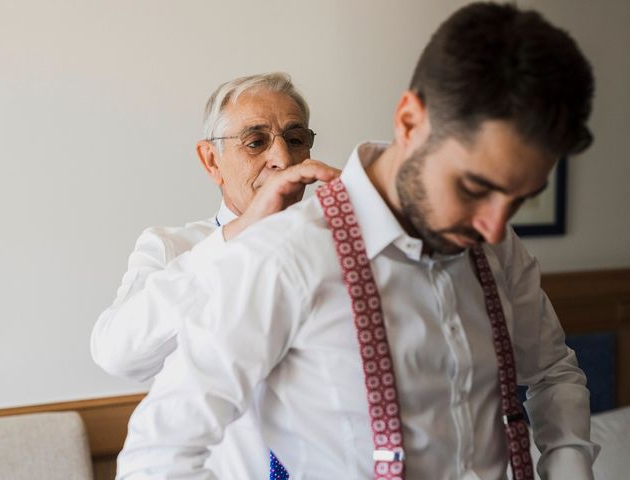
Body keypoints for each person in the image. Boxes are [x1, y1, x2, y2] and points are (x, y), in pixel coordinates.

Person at [115, 3, 599, 479]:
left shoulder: (495, 242)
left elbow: (553, 373)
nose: (494, 228)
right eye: (472, 187)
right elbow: (155, 453)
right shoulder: (282, 256)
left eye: (518, 200)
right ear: (409, 121)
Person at [90, 72, 339, 478]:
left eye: (295, 140)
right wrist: (243, 232)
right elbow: (118, 354)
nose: (282, 158)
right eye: (256, 141)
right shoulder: (172, 248)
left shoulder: (338, 247)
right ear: (211, 160)